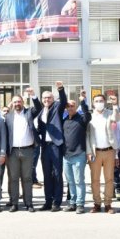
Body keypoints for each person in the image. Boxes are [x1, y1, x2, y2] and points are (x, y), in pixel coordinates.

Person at [37, 82, 67, 211]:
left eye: (49, 97)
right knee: (47, 175)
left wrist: (60, 89)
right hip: (45, 147)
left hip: (56, 145)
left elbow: (64, 101)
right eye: (44, 98)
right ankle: (48, 201)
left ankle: (57, 202)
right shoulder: (41, 111)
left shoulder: (57, 107)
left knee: (57, 174)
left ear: (53, 99)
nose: (46, 100)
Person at [87, 94, 117, 214]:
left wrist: (115, 105)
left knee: (109, 179)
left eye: (101, 101)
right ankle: (97, 203)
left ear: (104, 102)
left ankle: (108, 203)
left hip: (109, 151)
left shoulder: (110, 113)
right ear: (93, 103)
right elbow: (87, 135)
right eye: (96, 101)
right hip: (95, 152)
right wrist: (89, 151)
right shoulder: (89, 116)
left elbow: (117, 118)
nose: (99, 103)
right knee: (95, 179)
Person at [62, 92, 91, 214]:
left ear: (76, 107)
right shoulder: (64, 120)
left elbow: (88, 115)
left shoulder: (82, 119)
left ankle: (80, 204)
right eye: (68, 106)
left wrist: (83, 101)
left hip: (79, 154)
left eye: (72, 106)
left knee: (79, 181)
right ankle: (72, 203)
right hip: (66, 156)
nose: (70, 108)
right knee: (70, 182)